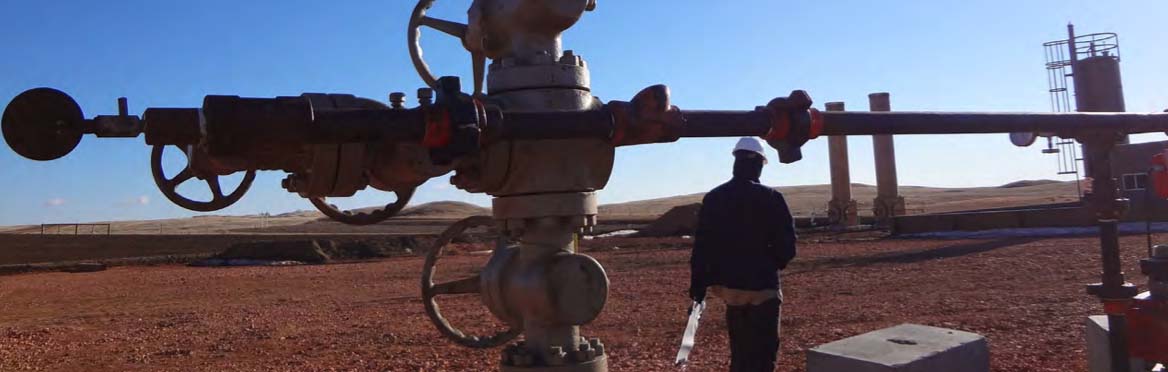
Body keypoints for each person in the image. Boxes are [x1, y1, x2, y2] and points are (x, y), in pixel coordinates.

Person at [689, 137, 797, 372]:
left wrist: (698, 288)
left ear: (735, 161)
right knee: (764, 355)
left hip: (730, 289)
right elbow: (788, 247)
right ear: (759, 163)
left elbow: (703, 247)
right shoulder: (771, 198)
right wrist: (771, 263)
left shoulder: (715, 198)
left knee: (740, 352)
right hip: (763, 288)